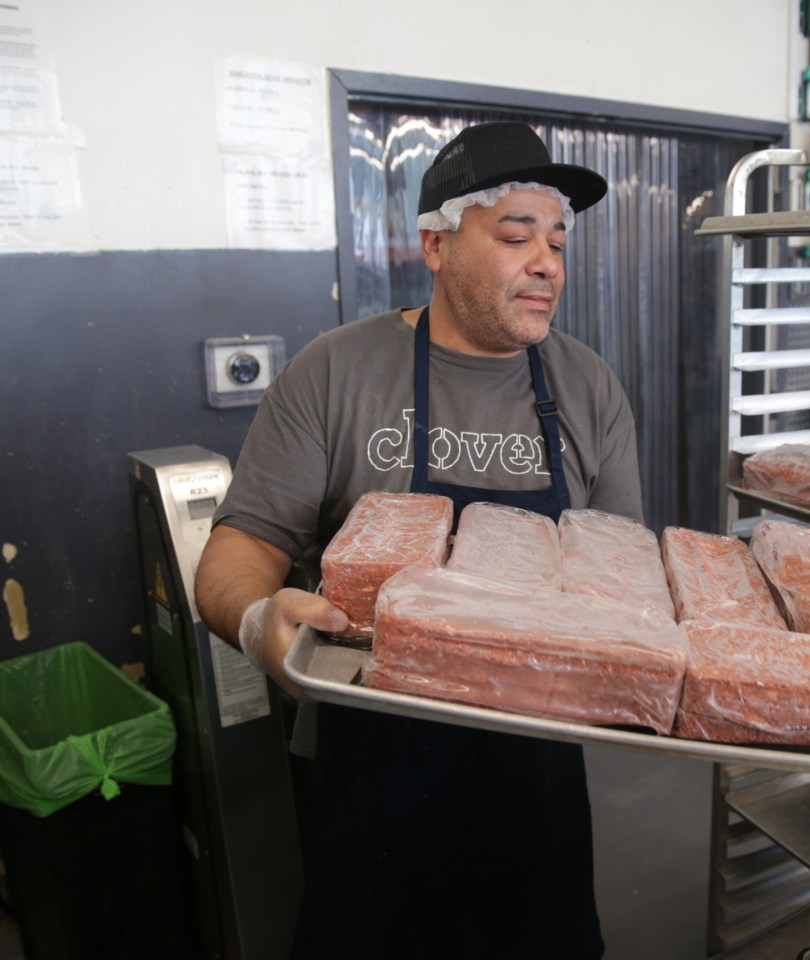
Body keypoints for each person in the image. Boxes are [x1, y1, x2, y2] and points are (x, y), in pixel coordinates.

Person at [193, 120, 643, 959]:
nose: (548, 262)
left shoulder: (588, 387)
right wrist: (260, 624)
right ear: (434, 244)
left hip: (537, 773)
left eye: (558, 239)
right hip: (374, 769)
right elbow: (235, 555)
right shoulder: (334, 374)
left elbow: (620, 575)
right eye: (516, 234)